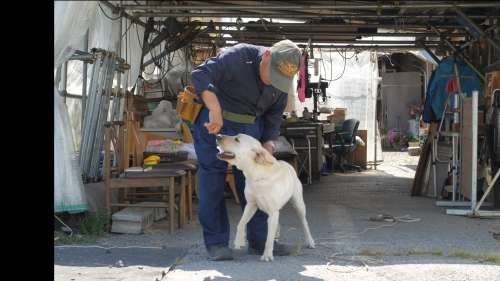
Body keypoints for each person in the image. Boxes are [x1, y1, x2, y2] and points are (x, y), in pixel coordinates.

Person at [191, 40, 301, 261]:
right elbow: (201, 74)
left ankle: (260, 241)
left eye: (278, 79)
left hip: (251, 129)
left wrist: (269, 143)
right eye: (271, 74)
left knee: (257, 182)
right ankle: (216, 243)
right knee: (212, 181)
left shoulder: (281, 83)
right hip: (217, 124)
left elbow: (274, 115)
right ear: (267, 55)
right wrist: (214, 107)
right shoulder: (239, 56)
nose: (272, 81)